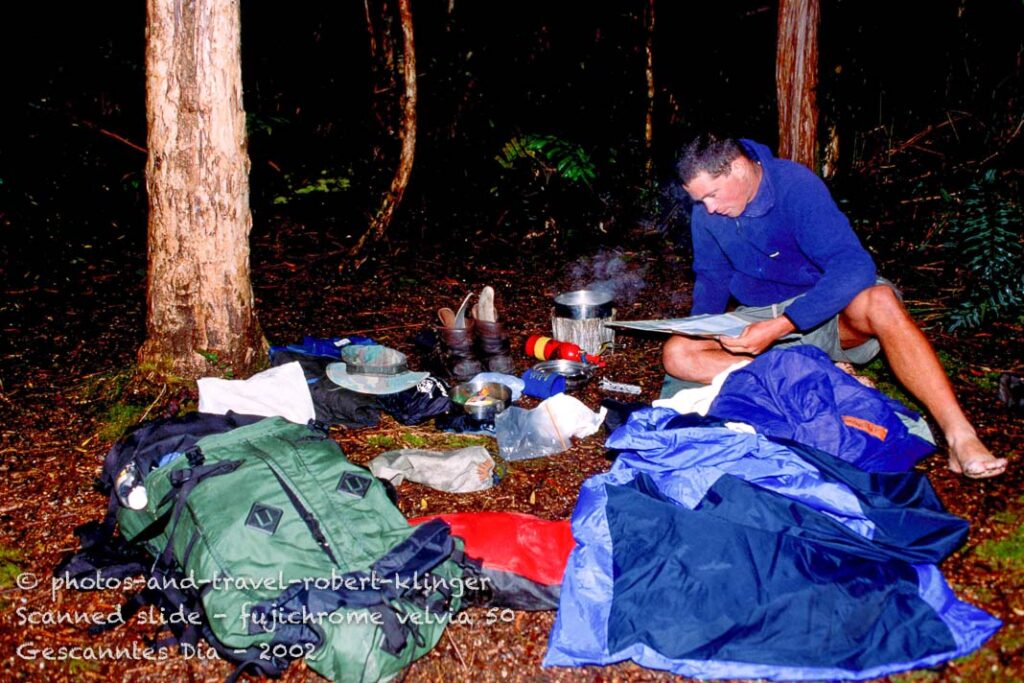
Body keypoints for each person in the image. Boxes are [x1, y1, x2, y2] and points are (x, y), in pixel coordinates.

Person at [663, 133, 1006, 479]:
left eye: (711, 195)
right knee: (677, 354)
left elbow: (854, 266)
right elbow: (711, 278)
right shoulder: (706, 215)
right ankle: (821, 375)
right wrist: (699, 328)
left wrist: (784, 324)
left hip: (821, 310)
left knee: (881, 301)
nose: (708, 208)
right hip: (759, 315)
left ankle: (960, 435)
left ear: (737, 168)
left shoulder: (794, 185)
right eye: (698, 200)